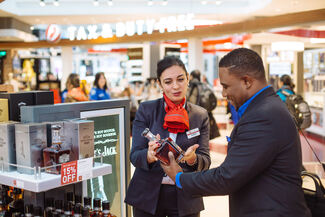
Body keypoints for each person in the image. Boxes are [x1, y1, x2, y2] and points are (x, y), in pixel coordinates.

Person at [161, 48, 311, 217]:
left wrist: (180, 177)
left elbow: (226, 177)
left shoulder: (263, 116)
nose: (224, 94)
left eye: (226, 86)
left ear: (247, 81)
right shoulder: (268, 107)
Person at [125, 56, 211, 217]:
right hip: (147, 194)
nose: (175, 86)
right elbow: (135, 155)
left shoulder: (200, 116)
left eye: (180, 79)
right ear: (160, 84)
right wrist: (149, 155)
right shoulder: (146, 110)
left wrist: (192, 159)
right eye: (168, 82)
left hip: (185, 196)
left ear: (188, 79)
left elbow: (205, 161)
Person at [187, 69, 220, 139]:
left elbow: (190, 102)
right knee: (203, 139)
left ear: (192, 76)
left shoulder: (191, 86)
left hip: (194, 118)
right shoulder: (204, 86)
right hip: (205, 116)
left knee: (193, 139)